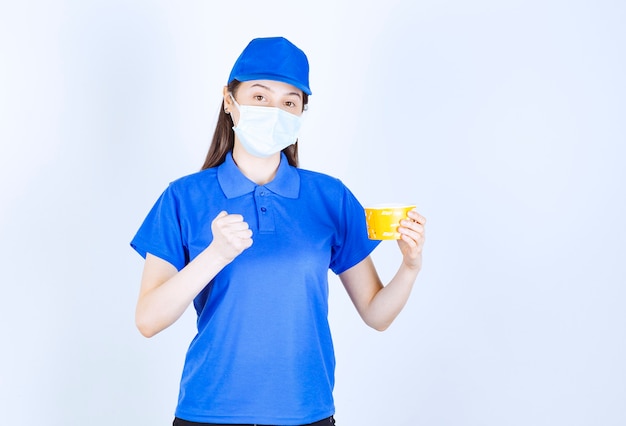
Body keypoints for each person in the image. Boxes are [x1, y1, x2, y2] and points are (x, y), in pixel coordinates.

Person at [130, 36, 426, 426]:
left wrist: (409, 267)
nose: (274, 110)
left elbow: (376, 314)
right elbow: (148, 320)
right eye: (259, 96)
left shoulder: (329, 197)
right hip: (209, 412)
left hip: (306, 414)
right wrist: (215, 254)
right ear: (228, 101)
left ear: (302, 112)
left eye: (289, 102)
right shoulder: (184, 198)